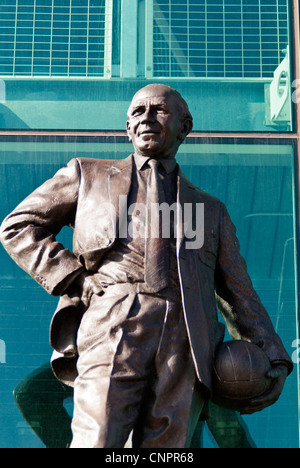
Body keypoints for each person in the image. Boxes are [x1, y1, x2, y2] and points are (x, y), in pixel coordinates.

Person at [0, 84, 293, 448]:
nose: (147, 119)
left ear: (185, 127)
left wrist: (274, 356)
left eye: (159, 110)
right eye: (138, 112)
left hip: (186, 337)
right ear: (127, 128)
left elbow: (239, 293)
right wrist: (73, 278)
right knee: (99, 438)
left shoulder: (210, 210)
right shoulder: (86, 176)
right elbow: (17, 226)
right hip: (113, 318)